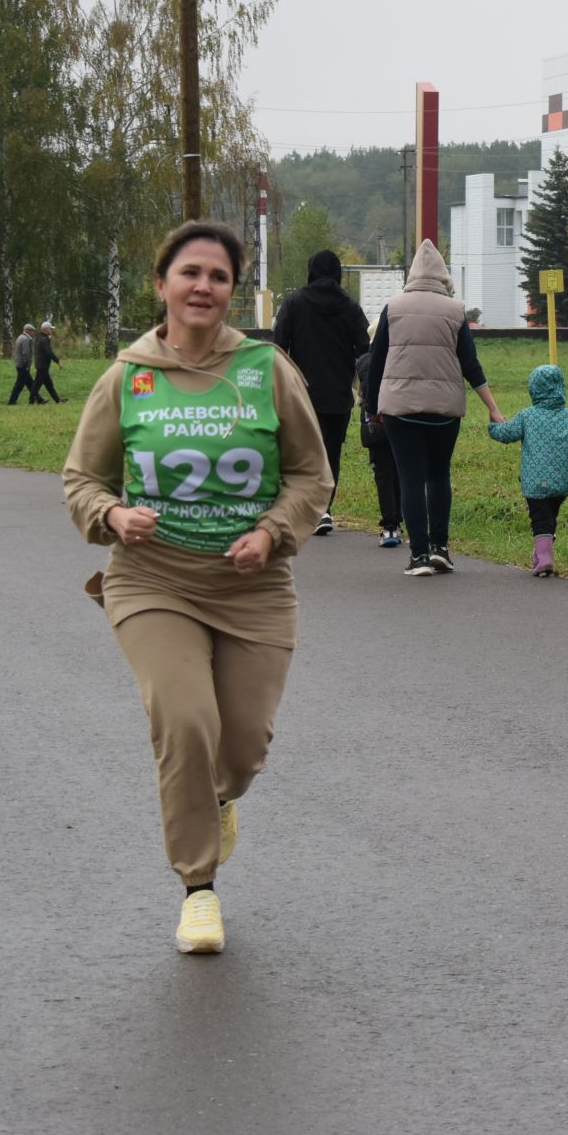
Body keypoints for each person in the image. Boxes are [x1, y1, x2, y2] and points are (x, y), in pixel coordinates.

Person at [62, 221, 332, 955]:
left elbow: (313, 472)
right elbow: (81, 478)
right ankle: (198, 888)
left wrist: (273, 531)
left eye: (217, 275)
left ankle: (216, 799)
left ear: (231, 291)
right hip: (156, 579)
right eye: (190, 273)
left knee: (241, 749)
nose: (203, 286)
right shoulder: (129, 375)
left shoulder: (266, 369)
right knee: (184, 721)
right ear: (162, 285)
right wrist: (114, 513)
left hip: (254, 587)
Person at [361, 239, 504, 576]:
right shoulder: (455, 311)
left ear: (412, 274)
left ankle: (420, 556)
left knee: (410, 478)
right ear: (443, 275)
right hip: (444, 411)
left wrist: (372, 407)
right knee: (439, 475)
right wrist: (493, 408)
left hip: (399, 409)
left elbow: (377, 359)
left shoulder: (392, 308)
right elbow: (471, 365)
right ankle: (441, 548)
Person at [273, 249, 370, 535]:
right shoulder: (350, 308)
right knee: (331, 453)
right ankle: (323, 509)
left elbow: (277, 346)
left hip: (300, 394)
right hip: (338, 394)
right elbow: (365, 348)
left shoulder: (294, 303)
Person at [487, 364, 568, 578]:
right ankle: (540, 554)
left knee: (540, 518)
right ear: (561, 387)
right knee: (549, 517)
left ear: (533, 389)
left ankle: (544, 559)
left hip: (535, 482)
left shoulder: (527, 416)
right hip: (561, 482)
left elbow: (507, 434)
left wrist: (493, 427)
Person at [354, 350, 401, 547]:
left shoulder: (364, 361)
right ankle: (400, 521)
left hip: (375, 423)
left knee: (383, 475)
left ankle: (389, 526)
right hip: (403, 416)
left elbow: (359, 396)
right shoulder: (402, 356)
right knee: (402, 473)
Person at [34, 321, 66, 403]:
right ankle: (32, 399)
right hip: (43, 365)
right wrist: (58, 361)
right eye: (51, 329)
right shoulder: (45, 339)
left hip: (41, 364)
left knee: (49, 385)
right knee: (37, 384)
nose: (52, 331)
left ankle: (57, 400)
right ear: (46, 329)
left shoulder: (39, 338)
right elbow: (49, 352)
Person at [7, 324, 41, 404]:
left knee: (30, 384)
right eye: (32, 331)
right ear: (28, 331)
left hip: (19, 364)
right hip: (23, 365)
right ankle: (11, 401)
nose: (33, 332)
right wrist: (27, 365)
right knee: (19, 385)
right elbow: (26, 353)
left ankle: (39, 399)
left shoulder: (20, 337)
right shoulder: (26, 339)